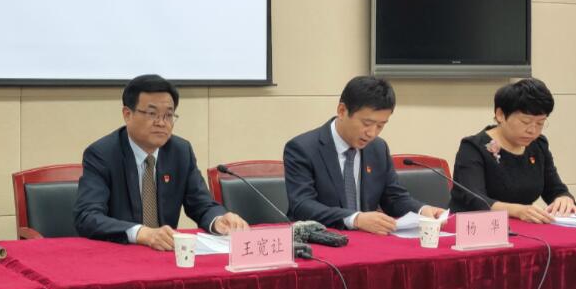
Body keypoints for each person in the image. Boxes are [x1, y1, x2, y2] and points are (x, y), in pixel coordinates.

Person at [73, 74, 247, 249]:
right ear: (127, 114)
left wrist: (218, 220)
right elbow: (87, 216)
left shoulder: (180, 152)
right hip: (119, 253)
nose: (161, 123)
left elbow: (202, 205)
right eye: (152, 114)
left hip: (165, 253)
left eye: (168, 115)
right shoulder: (102, 154)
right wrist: (141, 233)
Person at [284, 75, 446, 234]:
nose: (372, 133)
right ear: (342, 111)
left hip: (367, 242)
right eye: (367, 123)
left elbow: (393, 198)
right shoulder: (302, 149)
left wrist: (422, 210)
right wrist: (355, 219)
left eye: (380, 126)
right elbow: (302, 206)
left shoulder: (378, 148)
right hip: (323, 240)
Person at [449, 78, 576, 222]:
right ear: (500, 115)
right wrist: (517, 211)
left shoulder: (538, 145)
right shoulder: (473, 148)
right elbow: (476, 199)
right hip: (474, 227)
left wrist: (563, 198)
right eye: (525, 122)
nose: (532, 130)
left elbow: (555, 189)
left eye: (540, 123)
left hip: (522, 227)